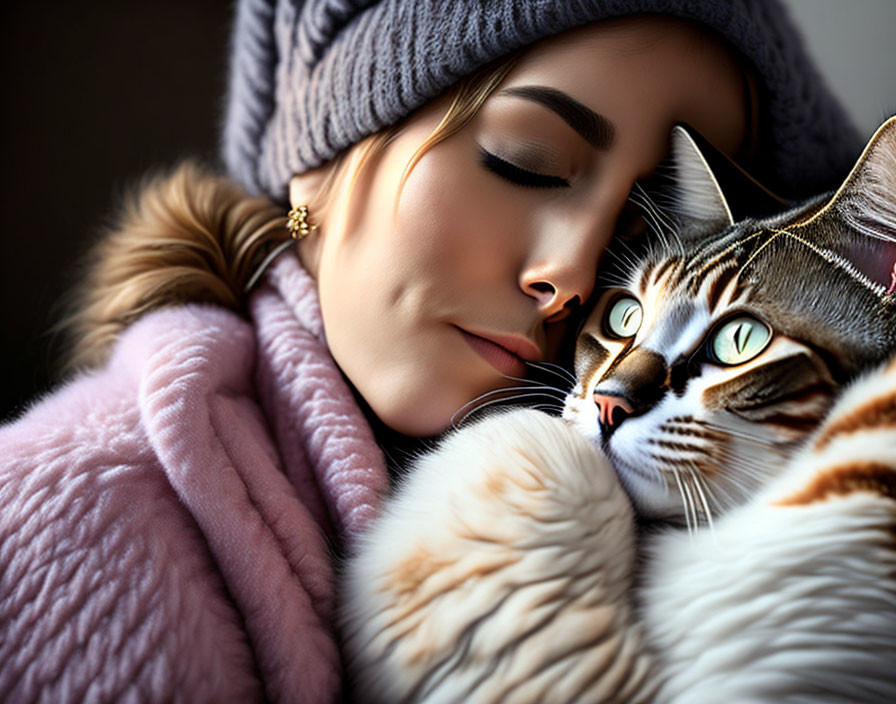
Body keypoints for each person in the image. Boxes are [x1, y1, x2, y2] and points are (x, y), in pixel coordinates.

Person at [0, 1, 861, 701]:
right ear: (320, 162)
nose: (571, 276)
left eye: (644, 232)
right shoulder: (70, 520)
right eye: (525, 162)